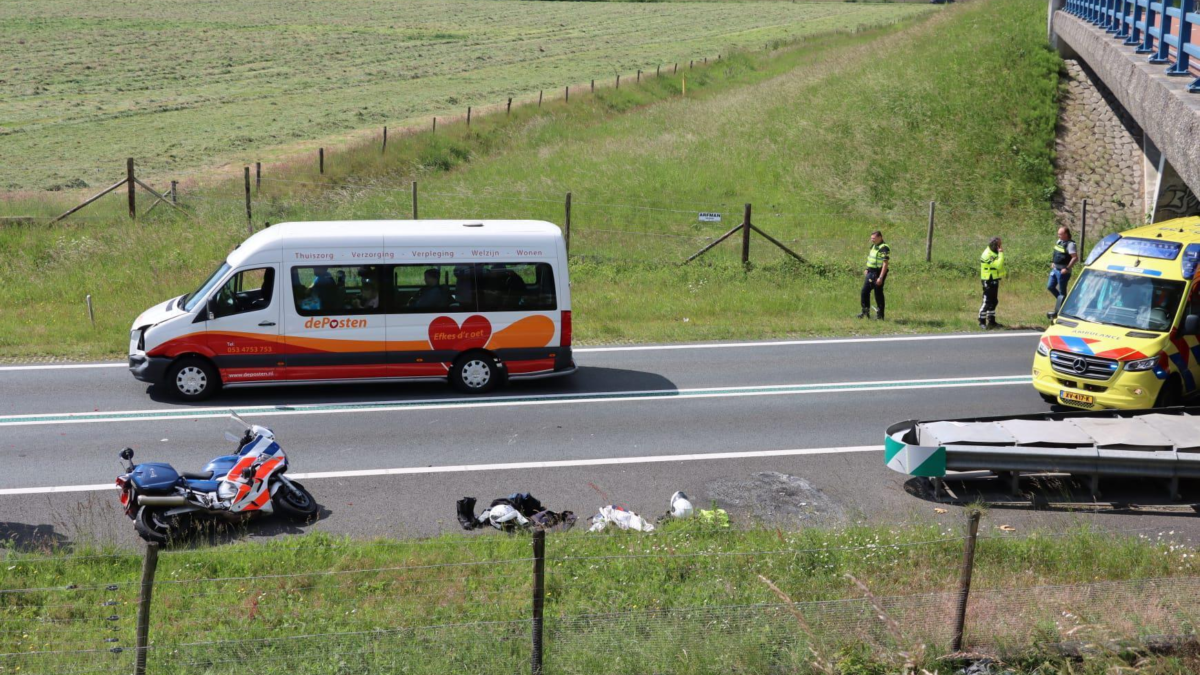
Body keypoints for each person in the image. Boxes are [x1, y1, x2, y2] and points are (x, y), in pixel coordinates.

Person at [857, 230, 890, 320]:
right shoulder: (873, 246)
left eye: (874, 238)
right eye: (871, 238)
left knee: (878, 293)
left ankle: (880, 315)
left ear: (880, 237)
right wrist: (867, 269)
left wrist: (881, 277)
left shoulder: (884, 248)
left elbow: (885, 264)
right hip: (870, 272)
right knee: (864, 292)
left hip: (878, 273)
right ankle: (865, 312)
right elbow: (872, 258)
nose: (872, 240)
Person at [1046, 226, 1078, 320]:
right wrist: (1053, 262)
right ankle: (1064, 303)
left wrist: (1067, 268)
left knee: (1062, 291)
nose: (1058, 235)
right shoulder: (1058, 242)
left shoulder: (1070, 244)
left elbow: (1075, 258)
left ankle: (1062, 309)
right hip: (1055, 269)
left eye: (1060, 234)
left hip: (1063, 272)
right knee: (1050, 286)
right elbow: (1056, 253)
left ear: (1066, 234)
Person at [979, 237, 1006, 330]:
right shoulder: (987, 254)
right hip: (988, 280)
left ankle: (992, 321)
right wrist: (1001, 253)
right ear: (994, 245)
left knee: (994, 301)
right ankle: (981, 321)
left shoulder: (994, 252)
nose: (1000, 246)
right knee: (987, 301)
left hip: (994, 278)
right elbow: (998, 265)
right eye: (999, 245)